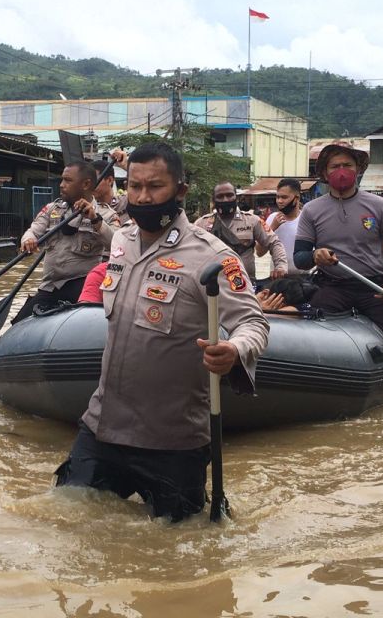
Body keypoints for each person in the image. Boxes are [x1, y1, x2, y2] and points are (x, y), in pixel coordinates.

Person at [54, 142, 270, 522]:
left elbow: (254, 322)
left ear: (181, 190)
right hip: (103, 425)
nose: (142, 196)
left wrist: (234, 350)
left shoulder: (214, 257)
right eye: (134, 186)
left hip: (173, 441)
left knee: (182, 550)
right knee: (68, 527)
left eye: (154, 187)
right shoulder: (121, 240)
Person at [292, 142, 383, 389]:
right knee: (309, 342)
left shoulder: (378, 205)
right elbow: (299, 257)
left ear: (358, 170)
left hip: (374, 289)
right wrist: (315, 256)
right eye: (335, 166)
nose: (341, 171)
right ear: (324, 173)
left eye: (347, 165)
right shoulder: (311, 210)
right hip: (332, 288)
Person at [14, 161, 120, 323]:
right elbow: (33, 230)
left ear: (85, 184)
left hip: (81, 285)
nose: (62, 185)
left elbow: (118, 246)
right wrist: (28, 239)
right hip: (51, 286)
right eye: (62, 180)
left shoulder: (105, 214)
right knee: (19, 324)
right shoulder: (52, 209)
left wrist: (94, 220)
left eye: (68, 181)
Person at [194, 181, 288, 281]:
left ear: (236, 197)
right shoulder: (201, 224)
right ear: (213, 199)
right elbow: (190, 252)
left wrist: (280, 267)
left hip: (245, 285)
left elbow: (274, 242)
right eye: (220, 196)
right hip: (213, 285)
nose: (225, 200)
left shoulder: (252, 221)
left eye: (229, 195)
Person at [266, 178, 307, 274]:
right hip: (278, 278)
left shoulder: (306, 219)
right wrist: (272, 228)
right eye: (277, 197)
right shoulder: (272, 218)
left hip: (304, 279)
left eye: (284, 197)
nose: (279, 201)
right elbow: (259, 252)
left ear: (297, 198)